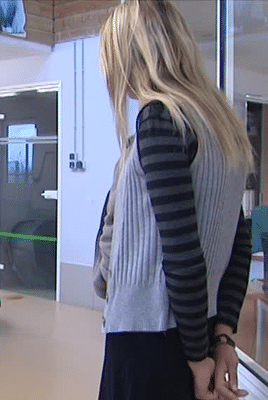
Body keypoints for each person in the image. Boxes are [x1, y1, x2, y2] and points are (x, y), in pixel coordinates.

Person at [97, 1, 253, 399]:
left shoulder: (160, 118)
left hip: (151, 341)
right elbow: (239, 240)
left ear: (130, 55)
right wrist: (222, 339)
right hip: (195, 332)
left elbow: (182, 252)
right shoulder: (222, 125)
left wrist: (198, 357)